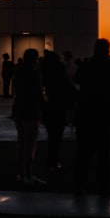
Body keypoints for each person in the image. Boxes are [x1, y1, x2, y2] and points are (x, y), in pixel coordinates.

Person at [73, 38, 110, 197]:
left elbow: (77, 80)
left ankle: (80, 186)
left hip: (85, 114)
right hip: (104, 115)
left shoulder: (86, 66)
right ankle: (103, 187)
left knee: (83, 154)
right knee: (103, 155)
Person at [11, 48, 45, 186]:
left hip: (18, 108)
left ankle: (20, 173)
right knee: (30, 143)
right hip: (30, 110)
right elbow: (37, 93)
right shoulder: (34, 73)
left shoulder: (18, 71)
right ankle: (28, 174)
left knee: (21, 141)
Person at [41, 49, 76, 172]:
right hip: (59, 105)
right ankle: (53, 160)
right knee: (56, 136)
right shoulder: (60, 70)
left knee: (51, 135)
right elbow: (69, 86)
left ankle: (51, 160)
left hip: (48, 106)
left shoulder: (44, 70)